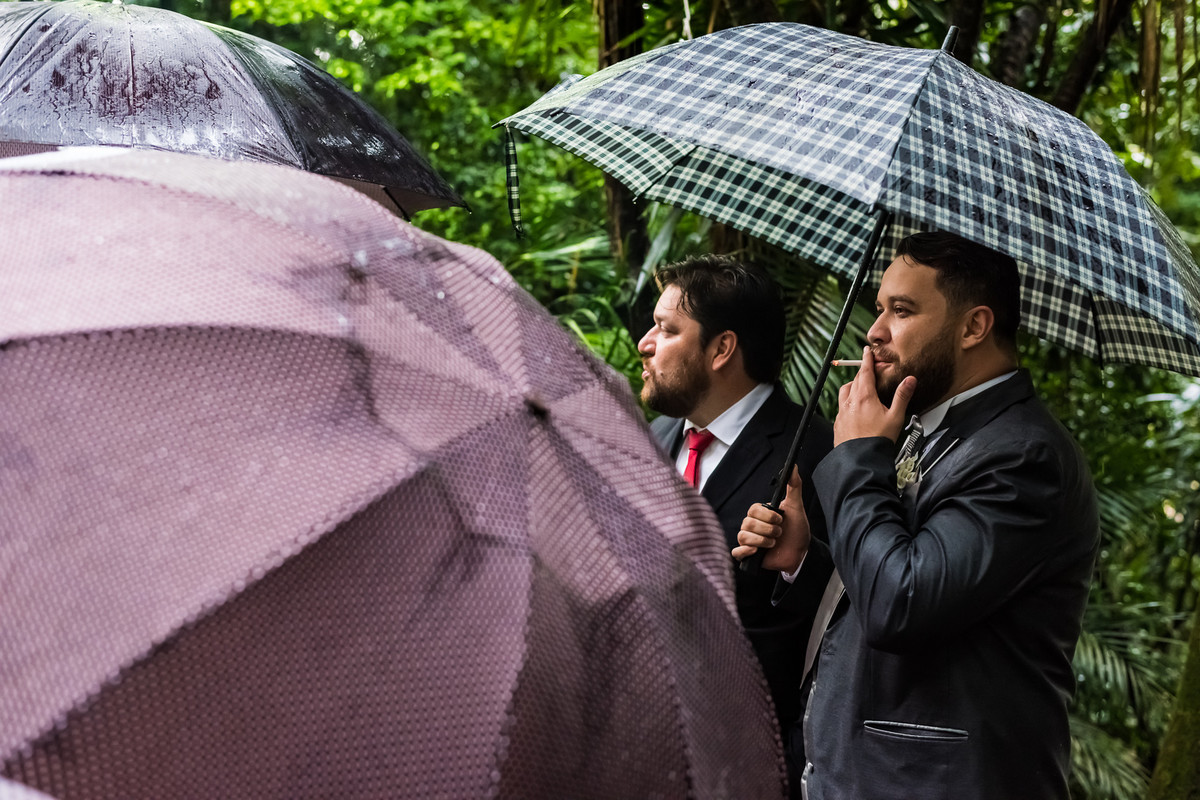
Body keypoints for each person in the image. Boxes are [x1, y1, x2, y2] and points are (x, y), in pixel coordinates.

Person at [735, 231, 1099, 800]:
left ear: (973, 326)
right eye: (879, 308)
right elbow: (883, 583)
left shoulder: (1024, 456)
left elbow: (902, 602)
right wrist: (805, 561)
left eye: (901, 311)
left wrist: (857, 458)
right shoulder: (927, 429)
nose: (875, 332)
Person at [638, 254, 833, 736]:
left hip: (751, 744)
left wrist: (798, 562)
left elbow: (840, 624)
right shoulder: (655, 435)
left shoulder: (817, 454)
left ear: (722, 348)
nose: (645, 344)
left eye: (666, 329)